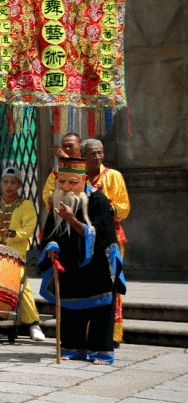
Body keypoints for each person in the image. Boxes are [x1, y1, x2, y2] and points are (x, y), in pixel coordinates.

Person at [38, 157, 126, 364]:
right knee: (71, 308)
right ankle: (71, 348)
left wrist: (72, 220)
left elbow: (100, 234)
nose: (67, 187)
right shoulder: (59, 199)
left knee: (100, 311)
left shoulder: (99, 200)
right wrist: (51, 247)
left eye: (73, 182)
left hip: (99, 264)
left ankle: (101, 352)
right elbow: (50, 232)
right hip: (70, 262)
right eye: (62, 181)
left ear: (85, 179)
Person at [0, 167, 45, 341]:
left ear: (18, 185)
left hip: (17, 256)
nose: (9, 186)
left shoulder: (26, 206)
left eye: (13, 182)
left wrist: (10, 234)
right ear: (1, 184)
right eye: (5, 182)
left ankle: (33, 324)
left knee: (21, 285)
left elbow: (28, 230)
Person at [83, 138, 130, 342]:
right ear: (83, 156)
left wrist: (101, 208)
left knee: (110, 284)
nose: (97, 157)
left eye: (100, 153)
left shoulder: (114, 176)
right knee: (84, 286)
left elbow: (123, 207)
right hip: (83, 238)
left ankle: (111, 334)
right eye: (93, 153)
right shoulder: (78, 178)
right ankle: (84, 333)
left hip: (110, 239)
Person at [42, 133, 82, 210]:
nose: (67, 149)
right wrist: (51, 198)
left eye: (70, 146)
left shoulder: (86, 164)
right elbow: (47, 193)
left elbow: (78, 176)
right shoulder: (57, 169)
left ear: (80, 146)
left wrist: (65, 158)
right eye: (64, 146)